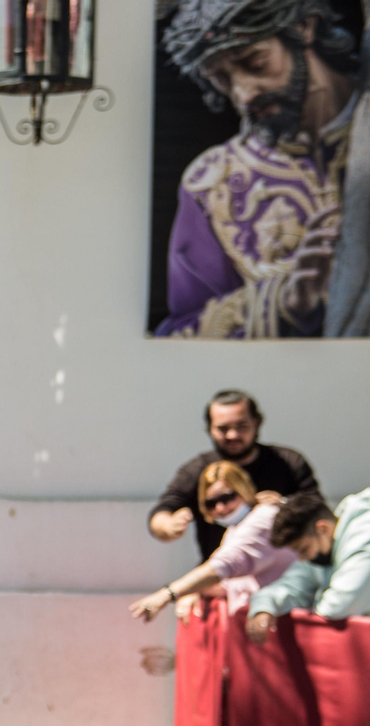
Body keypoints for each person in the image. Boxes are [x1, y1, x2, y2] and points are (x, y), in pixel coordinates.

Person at [156, 0, 360, 338]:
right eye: (221, 79)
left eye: (255, 62)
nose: (243, 95)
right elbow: (182, 333)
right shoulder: (211, 183)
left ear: (304, 27)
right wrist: (283, 302)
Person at [149, 389, 317, 560]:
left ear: (256, 423)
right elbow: (163, 510)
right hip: (218, 571)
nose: (232, 435)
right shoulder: (197, 470)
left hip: (279, 568)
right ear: (209, 429)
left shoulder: (287, 463)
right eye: (213, 502)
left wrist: (284, 507)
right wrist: (169, 525)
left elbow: (318, 512)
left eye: (241, 427)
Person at [130, 460, 296, 621]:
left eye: (227, 497)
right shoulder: (235, 529)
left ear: (244, 490)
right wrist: (196, 591)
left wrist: (167, 594)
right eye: (211, 503)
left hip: (284, 620)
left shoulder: (263, 517)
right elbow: (230, 583)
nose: (220, 508)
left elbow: (222, 567)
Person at [246, 489, 370, 643]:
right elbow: (291, 585)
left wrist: (313, 606)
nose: (302, 558)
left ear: (322, 529)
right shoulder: (323, 547)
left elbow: (341, 604)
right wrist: (264, 607)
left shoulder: (364, 539)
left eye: (303, 549)